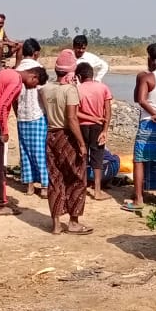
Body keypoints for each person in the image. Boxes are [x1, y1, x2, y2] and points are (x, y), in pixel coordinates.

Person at [0, 59, 43, 215]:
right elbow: (2, 106)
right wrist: (4, 130)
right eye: (35, 84)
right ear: (33, 76)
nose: (33, 87)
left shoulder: (5, 72)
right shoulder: (16, 81)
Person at [41, 50, 92, 234]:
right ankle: (73, 221)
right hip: (67, 136)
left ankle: (55, 224)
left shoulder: (45, 89)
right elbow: (71, 119)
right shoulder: (70, 90)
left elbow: (46, 111)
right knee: (77, 178)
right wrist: (81, 143)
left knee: (55, 179)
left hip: (51, 135)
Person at [125, 44, 156, 212]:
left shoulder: (148, 78)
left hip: (148, 122)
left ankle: (139, 198)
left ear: (155, 61)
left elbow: (141, 99)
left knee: (139, 160)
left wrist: (154, 114)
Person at [75, 61, 113, 200]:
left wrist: (90, 117)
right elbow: (108, 111)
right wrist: (105, 130)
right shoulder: (103, 88)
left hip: (82, 126)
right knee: (97, 157)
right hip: (98, 126)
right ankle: (97, 190)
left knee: (82, 156)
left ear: (79, 76)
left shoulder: (77, 89)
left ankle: (81, 187)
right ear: (92, 74)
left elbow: (75, 113)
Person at [14, 56, 49, 199]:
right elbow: (44, 95)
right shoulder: (37, 70)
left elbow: (13, 99)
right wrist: (50, 115)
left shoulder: (17, 72)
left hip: (22, 116)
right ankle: (45, 186)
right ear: (36, 53)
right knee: (40, 152)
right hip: (37, 115)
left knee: (25, 152)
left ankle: (29, 186)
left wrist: (17, 114)